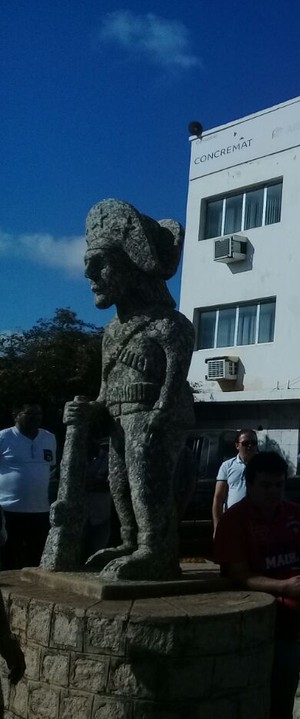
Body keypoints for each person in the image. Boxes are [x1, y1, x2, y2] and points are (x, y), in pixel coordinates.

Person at [62, 199, 194, 580]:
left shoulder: (169, 325)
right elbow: (105, 390)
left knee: (144, 478)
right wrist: (89, 409)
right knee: (118, 483)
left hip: (153, 419)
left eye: (100, 263)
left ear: (131, 268)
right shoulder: (111, 333)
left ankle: (155, 548)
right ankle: (130, 539)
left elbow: (174, 382)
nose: (90, 274)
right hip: (119, 418)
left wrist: (158, 414)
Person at [213, 451, 300, 719]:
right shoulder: (234, 520)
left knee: (283, 694)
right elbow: (239, 575)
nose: (273, 492)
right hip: (251, 625)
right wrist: (283, 587)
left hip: (291, 624)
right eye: (265, 485)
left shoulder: (295, 513)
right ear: (249, 484)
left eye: (279, 485)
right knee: (247, 700)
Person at [0, 403, 57, 569]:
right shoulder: (4, 437)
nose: (36, 418)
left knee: (37, 557)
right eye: (30, 414)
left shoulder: (49, 437)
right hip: (8, 509)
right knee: (8, 557)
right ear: (16, 416)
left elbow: (51, 467)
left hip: (40, 510)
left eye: (39, 414)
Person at [212, 429, 259, 532]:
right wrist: (217, 527)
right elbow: (218, 497)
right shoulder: (227, 466)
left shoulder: (264, 466)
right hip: (233, 521)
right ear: (237, 445)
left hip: (258, 522)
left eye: (254, 443)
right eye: (246, 443)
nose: (250, 446)